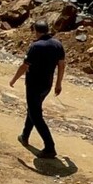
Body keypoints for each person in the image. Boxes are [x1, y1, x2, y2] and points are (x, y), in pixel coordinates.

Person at [10, 19, 65, 159]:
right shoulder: (58, 45)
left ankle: (49, 147)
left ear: (36, 31)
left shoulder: (36, 46)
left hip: (34, 85)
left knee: (36, 115)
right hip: (47, 85)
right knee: (33, 109)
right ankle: (25, 135)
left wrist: (14, 79)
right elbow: (61, 65)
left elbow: (24, 66)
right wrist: (58, 83)